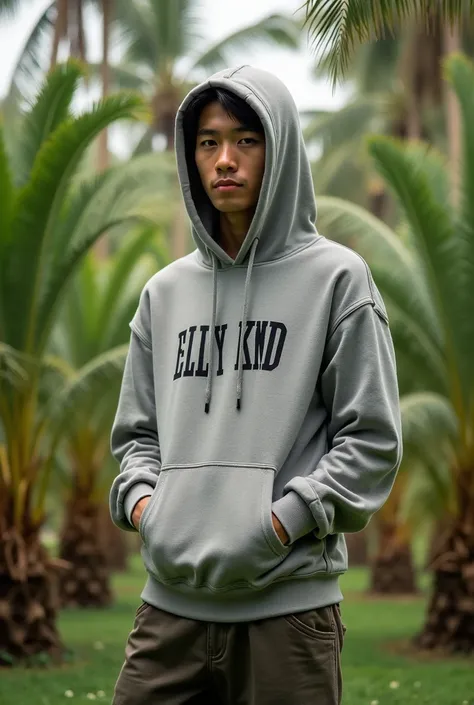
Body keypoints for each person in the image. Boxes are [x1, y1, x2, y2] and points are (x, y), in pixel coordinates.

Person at [109, 65, 402, 705]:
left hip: (288, 612)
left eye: (246, 140)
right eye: (208, 142)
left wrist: (279, 524)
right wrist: (148, 511)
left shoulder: (339, 281)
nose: (224, 161)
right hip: (169, 610)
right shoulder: (164, 294)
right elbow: (136, 437)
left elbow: (372, 438)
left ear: (281, 147)